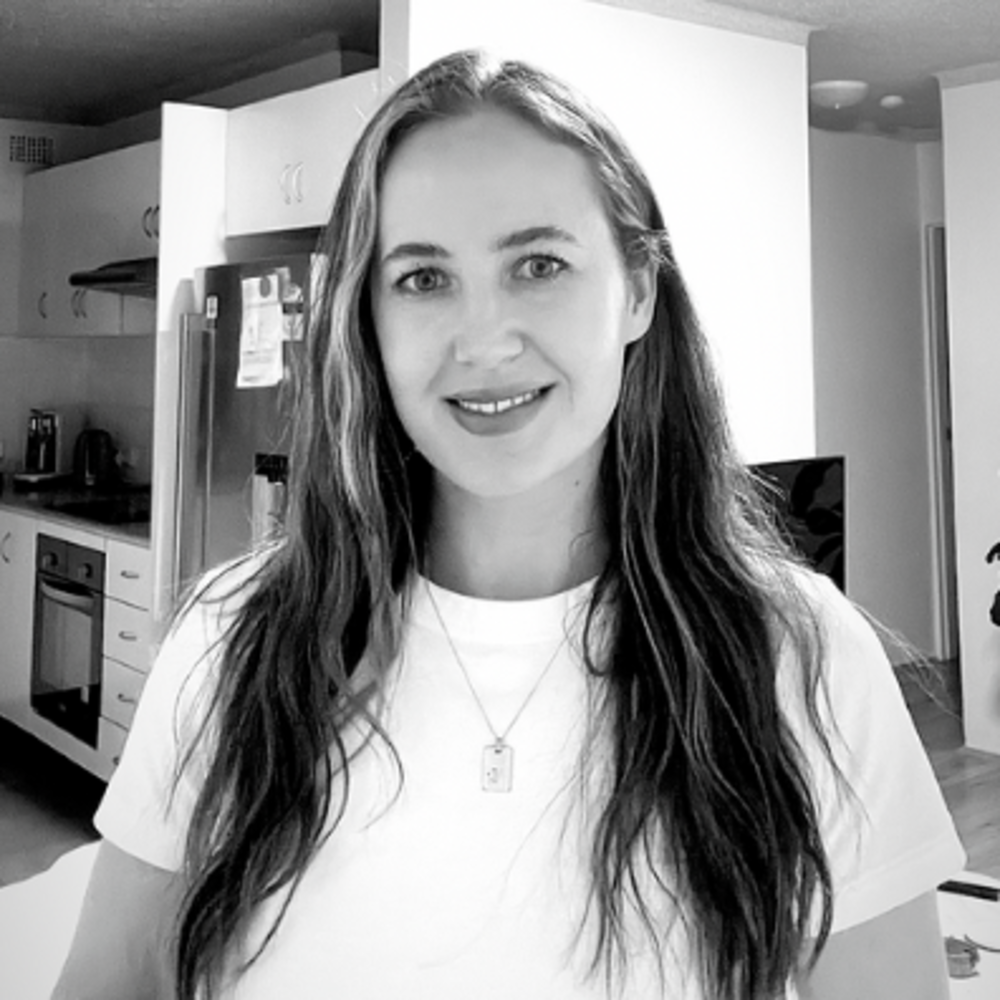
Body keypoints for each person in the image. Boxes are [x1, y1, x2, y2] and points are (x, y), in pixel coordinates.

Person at [53, 50, 964, 1000]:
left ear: (638, 292)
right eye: (422, 279)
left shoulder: (802, 658)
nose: (484, 342)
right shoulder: (230, 639)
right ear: (368, 320)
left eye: (539, 265)